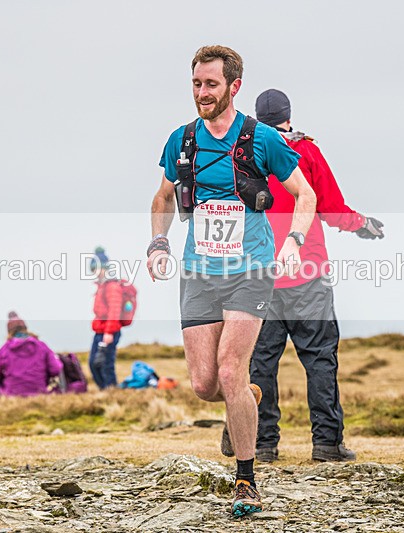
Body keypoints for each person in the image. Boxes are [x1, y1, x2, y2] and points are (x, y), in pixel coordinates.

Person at [147, 46, 316, 517]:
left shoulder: (262, 139)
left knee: (229, 369)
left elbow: (306, 193)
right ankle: (246, 394)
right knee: (205, 384)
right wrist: (157, 244)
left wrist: (295, 240)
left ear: (233, 87)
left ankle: (245, 479)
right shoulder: (181, 141)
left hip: (251, 269)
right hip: (199, 271)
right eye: (197, 84)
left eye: (211, 85)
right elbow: (162, 197)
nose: (202, 93)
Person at [231, 88, 384, 464]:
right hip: (306, 273)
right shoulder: (307, 152)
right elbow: (330, 208)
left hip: (255, 275)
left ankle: (262, 445)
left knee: (258, 363)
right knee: (319, 359)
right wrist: (362, 224)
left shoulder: (240, 154)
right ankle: (327, 445)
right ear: (288, 115)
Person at [0, 311, 63, 397]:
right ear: (26, 328)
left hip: (11, 394)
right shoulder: (41, 346)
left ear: (9, 331)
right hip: (39, 392)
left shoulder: (5, 349)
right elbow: (56, 369)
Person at [89, 247, 123, 389]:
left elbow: (114, 311)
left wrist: (108, 333)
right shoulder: (102, 285)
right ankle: (106, 390)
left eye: (96, 269)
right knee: (94, 364)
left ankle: (111, 391)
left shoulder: (112, 286)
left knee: (106, 365)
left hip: (108, 332)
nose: (95, 273)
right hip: (101, 331)